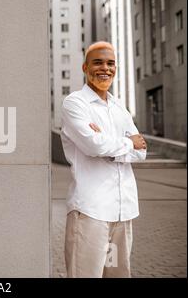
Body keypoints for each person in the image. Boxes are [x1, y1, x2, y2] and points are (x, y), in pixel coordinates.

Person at [60, 41, 147, 278]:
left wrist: (108, 143)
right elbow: (93, 145)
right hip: (91, 212)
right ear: (85, 67)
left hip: (123, 211)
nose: (105, 68)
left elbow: (141, 151)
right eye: (98, 62)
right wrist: (126, 142)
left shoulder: (119, 107)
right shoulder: (75, 103)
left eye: (110, 63)